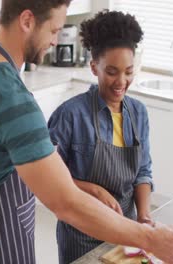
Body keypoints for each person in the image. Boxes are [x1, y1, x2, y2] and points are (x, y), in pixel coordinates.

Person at [0, 1, 173, 264]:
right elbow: (65, 201)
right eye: (54, 30)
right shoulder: (14, 100)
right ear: (27, 21)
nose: (56, 41)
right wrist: (150, 238)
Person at [48, 10, 157, 263]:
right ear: (94, 67)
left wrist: (143, 218)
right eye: (111, 71)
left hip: (127, 230)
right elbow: (50, 182)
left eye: (128, 71)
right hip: (82, 235)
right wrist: (92, 190)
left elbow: (143, 171)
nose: (121, 81)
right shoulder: (70, 115)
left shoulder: (138, 113)